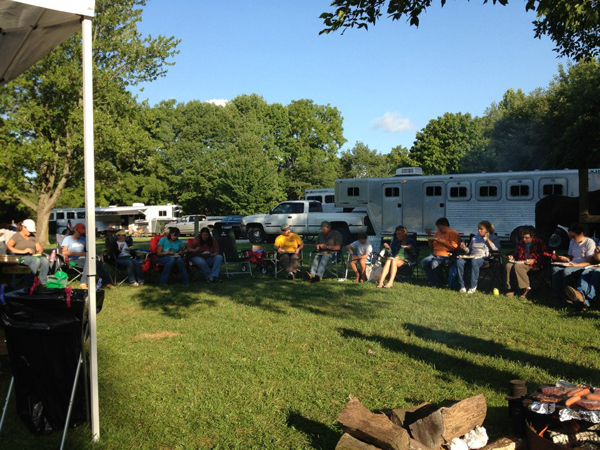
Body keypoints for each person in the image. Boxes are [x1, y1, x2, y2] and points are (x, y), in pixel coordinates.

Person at [61, 222, 114, 289]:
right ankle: (83, 282)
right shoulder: (68, 239)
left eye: (83, 233)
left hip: (83, 260)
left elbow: (89, 250)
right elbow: (64, 252)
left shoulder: (83, 240)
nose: (81, 234)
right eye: (80, 233)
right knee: (89, 261)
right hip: (71, 261)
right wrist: (79, 254)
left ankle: (107, 282)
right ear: (75, 230)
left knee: (95, 261)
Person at [551, 223, 596, 299]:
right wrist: (566, 259)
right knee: (555, 269)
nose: (572, 238)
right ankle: (557, 293)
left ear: (581, 234)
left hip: (583, 266)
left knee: (567, 271)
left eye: (573, 236)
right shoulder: (572, 242)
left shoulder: (589, 242)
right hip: (572, 264)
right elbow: (571, 256)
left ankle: (568, 295)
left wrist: (575, 265)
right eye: (570, 236)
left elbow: (589, 262)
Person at [455, 220, 500, 294]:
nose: (479, 230)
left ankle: (473, 286)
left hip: (484, 258)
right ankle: (462, 286)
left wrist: (488, 240)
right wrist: (464, 248)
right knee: (459, 261)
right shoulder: (475, 238)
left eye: (481, 229)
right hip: (472, 256)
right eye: (478, 229)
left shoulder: (494, 238)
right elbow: (469, 250)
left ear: (487, 230)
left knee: (474, 261)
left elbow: (496, 250)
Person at [505, 226, 546, 298]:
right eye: (523, 237)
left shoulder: (539, 243)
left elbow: (544, 255)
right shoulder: (520, 243)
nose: (524, 239)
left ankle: (526, 289)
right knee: (508, 265)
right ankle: (511, 288)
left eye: (526, 238)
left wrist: (534, 260)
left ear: (532, 236)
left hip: (533, 264)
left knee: (518, 266)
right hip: (521, 261)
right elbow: (517, 254)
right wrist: (512, 257)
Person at [6, 219, 50, 286]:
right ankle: (29, 283)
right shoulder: (17, 236)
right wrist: (22, 251)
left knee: (45, 260)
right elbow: (8, 246)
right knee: (35, 260)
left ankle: (42, 283)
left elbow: (39, 247)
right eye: (29, 231)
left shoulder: (32, 236)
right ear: (24, 227)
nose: (30, 232)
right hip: (20, 258)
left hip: (32, 257)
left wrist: (40, 251)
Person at [421, 218, 461, 287]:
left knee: (435, 262)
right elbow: (431, 246)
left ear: (445, 225)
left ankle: (440, 283)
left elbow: (454, 248)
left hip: (447, 255)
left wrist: (440, 240)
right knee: (424, 261)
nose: (439, 229)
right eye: (438, 228)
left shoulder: (453, 233)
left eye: (440, 227)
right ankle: (432, 281)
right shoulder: (438, 233)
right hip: (435, 254)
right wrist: (430, 236)